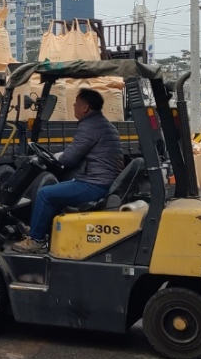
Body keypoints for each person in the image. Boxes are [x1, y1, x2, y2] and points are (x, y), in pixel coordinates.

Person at [9, 88, 122, 254]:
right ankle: (39, 230)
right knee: (59, 188)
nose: (74, 106)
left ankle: (36, 241)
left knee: (45, 194)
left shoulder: (90, 126)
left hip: (95, 185)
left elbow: (69, 158)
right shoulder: (104, 124)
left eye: (76, 104)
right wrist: (57, 156)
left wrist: (54, 157)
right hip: (101, 180)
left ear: (85, 108)